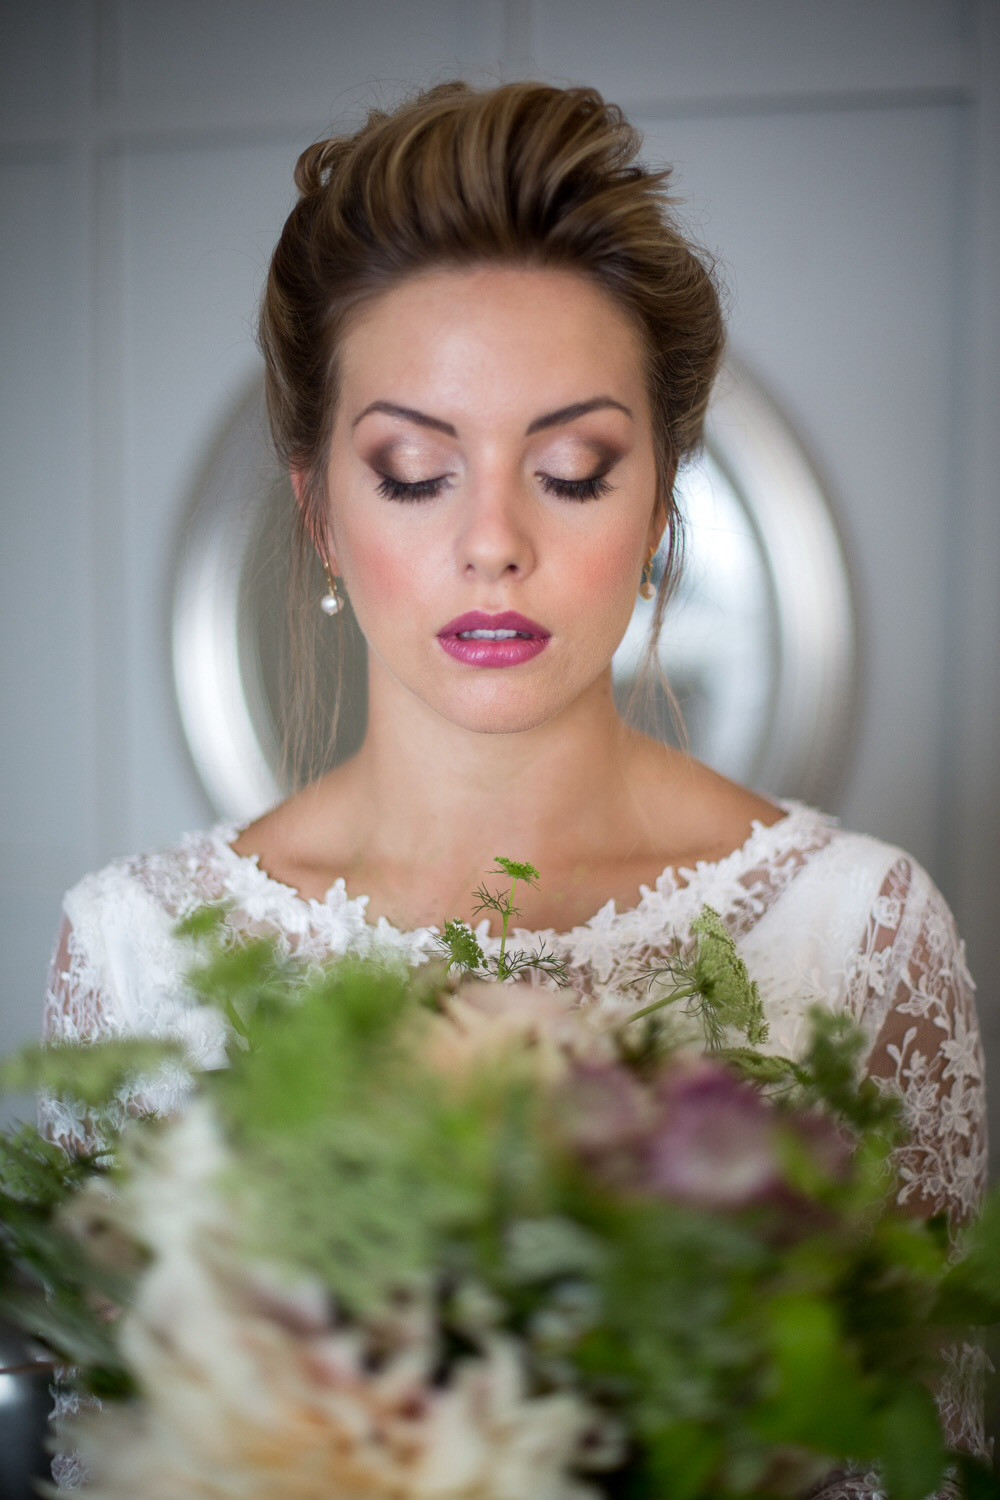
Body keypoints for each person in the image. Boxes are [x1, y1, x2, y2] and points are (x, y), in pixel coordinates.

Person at [42, 80, 987, 1481]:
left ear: (661, 503)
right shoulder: (131, 954)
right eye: (417, 472)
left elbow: (932, 1463)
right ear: (319, 512)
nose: (493, 541)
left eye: (572, 468)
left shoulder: (859, 939)